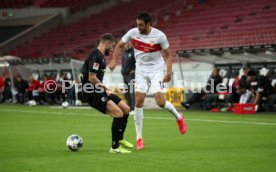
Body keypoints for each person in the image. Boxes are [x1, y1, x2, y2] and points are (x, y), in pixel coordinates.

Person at [109, 12, 187, 150]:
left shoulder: (159, 36)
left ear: (148, 24)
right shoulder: (133, 33)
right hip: (140, 70)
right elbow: (119, 45)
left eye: (141, 25)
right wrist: (114, 60)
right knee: (138, 102)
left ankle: (178, 117)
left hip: (156, 70)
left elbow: (169, 55)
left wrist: (168, 72)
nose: (138, 27)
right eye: (137, 24)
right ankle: (139, 138)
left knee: (161, 102)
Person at [81, 33, 133, 153]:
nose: (112, 49)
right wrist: (106, 89)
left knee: (126, 109)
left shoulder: (101, 56)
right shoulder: (95, 55)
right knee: (118, 114)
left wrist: (105, 90)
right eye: (112, 46)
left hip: (99, 90)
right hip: (91, 92)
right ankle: (114, 147)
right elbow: (92, 78)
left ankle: (119, 139)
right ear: (107, 43)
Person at [121, 42, 136, 115]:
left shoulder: (134, 52)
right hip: (124, 75)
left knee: (131, 91)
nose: (127, 44)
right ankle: (129, 108)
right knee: (126, 92)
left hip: (131, 75)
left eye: (129, 43)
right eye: (126, 43)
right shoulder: (124, 53)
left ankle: (133, 108)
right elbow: (123, 63)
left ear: (131, 44)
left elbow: (138, 63)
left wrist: (134, 70)